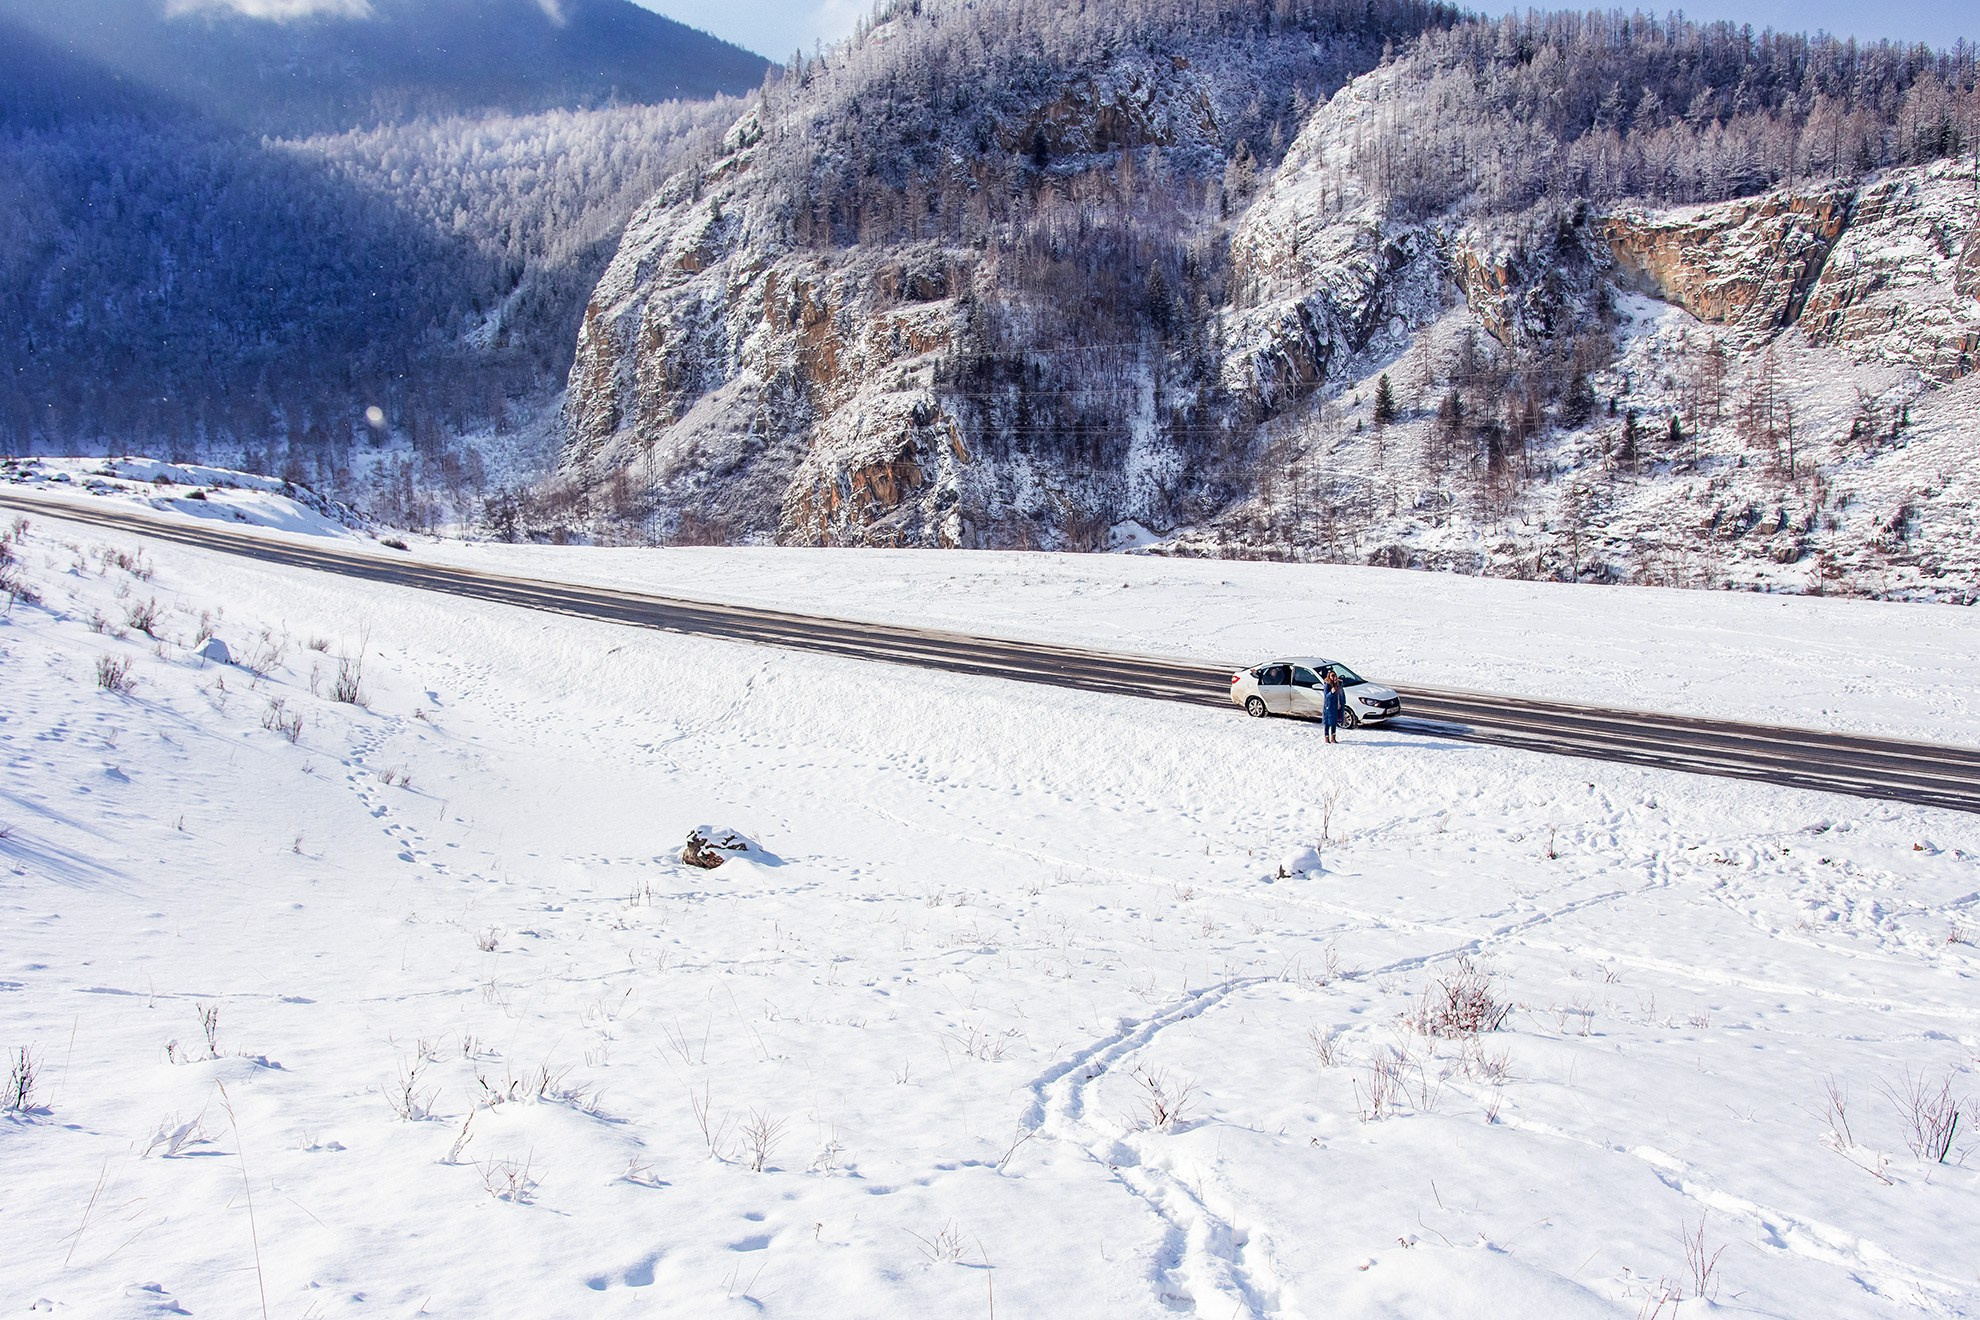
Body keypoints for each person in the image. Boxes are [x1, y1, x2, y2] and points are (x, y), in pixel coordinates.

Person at [1321, 668, 1345, 743]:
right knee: (1327, 723)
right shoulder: (1327, 685)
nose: (1334, 677)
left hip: (1336, 706)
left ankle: (1333, 738)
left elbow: (1341, 694)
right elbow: (1326, 697)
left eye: (1335, 675)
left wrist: (1342, 702)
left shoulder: (1338, 685)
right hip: (1329, 707)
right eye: (1332, 676)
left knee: (1334, 722)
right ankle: (1326, 737)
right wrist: (1331, 692)